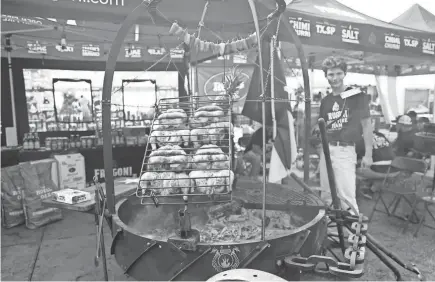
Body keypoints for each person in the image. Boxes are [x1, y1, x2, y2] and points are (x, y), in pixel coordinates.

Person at [318, 56, 373, 215]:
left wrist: (368, 154)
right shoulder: (326, 101)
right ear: (326, 76)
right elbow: (323, 126)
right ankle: (333, 232)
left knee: (346, 197)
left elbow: (367, 124)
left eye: (338, 73)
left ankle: (354, 237)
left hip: (345, 150)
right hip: (327, 150)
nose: (335, 78)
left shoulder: (357, 96)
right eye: (331, 74)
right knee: (326, 195)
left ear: (344, 74)